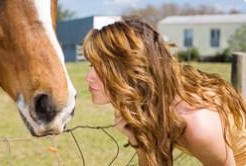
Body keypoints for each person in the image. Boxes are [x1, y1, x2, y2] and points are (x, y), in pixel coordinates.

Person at [83, 18, 246, 166]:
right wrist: (139, 143)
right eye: (91, 66)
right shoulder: (149, 104)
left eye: (99, 66)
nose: (88, 77)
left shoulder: (196, 121)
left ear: (130, 67)